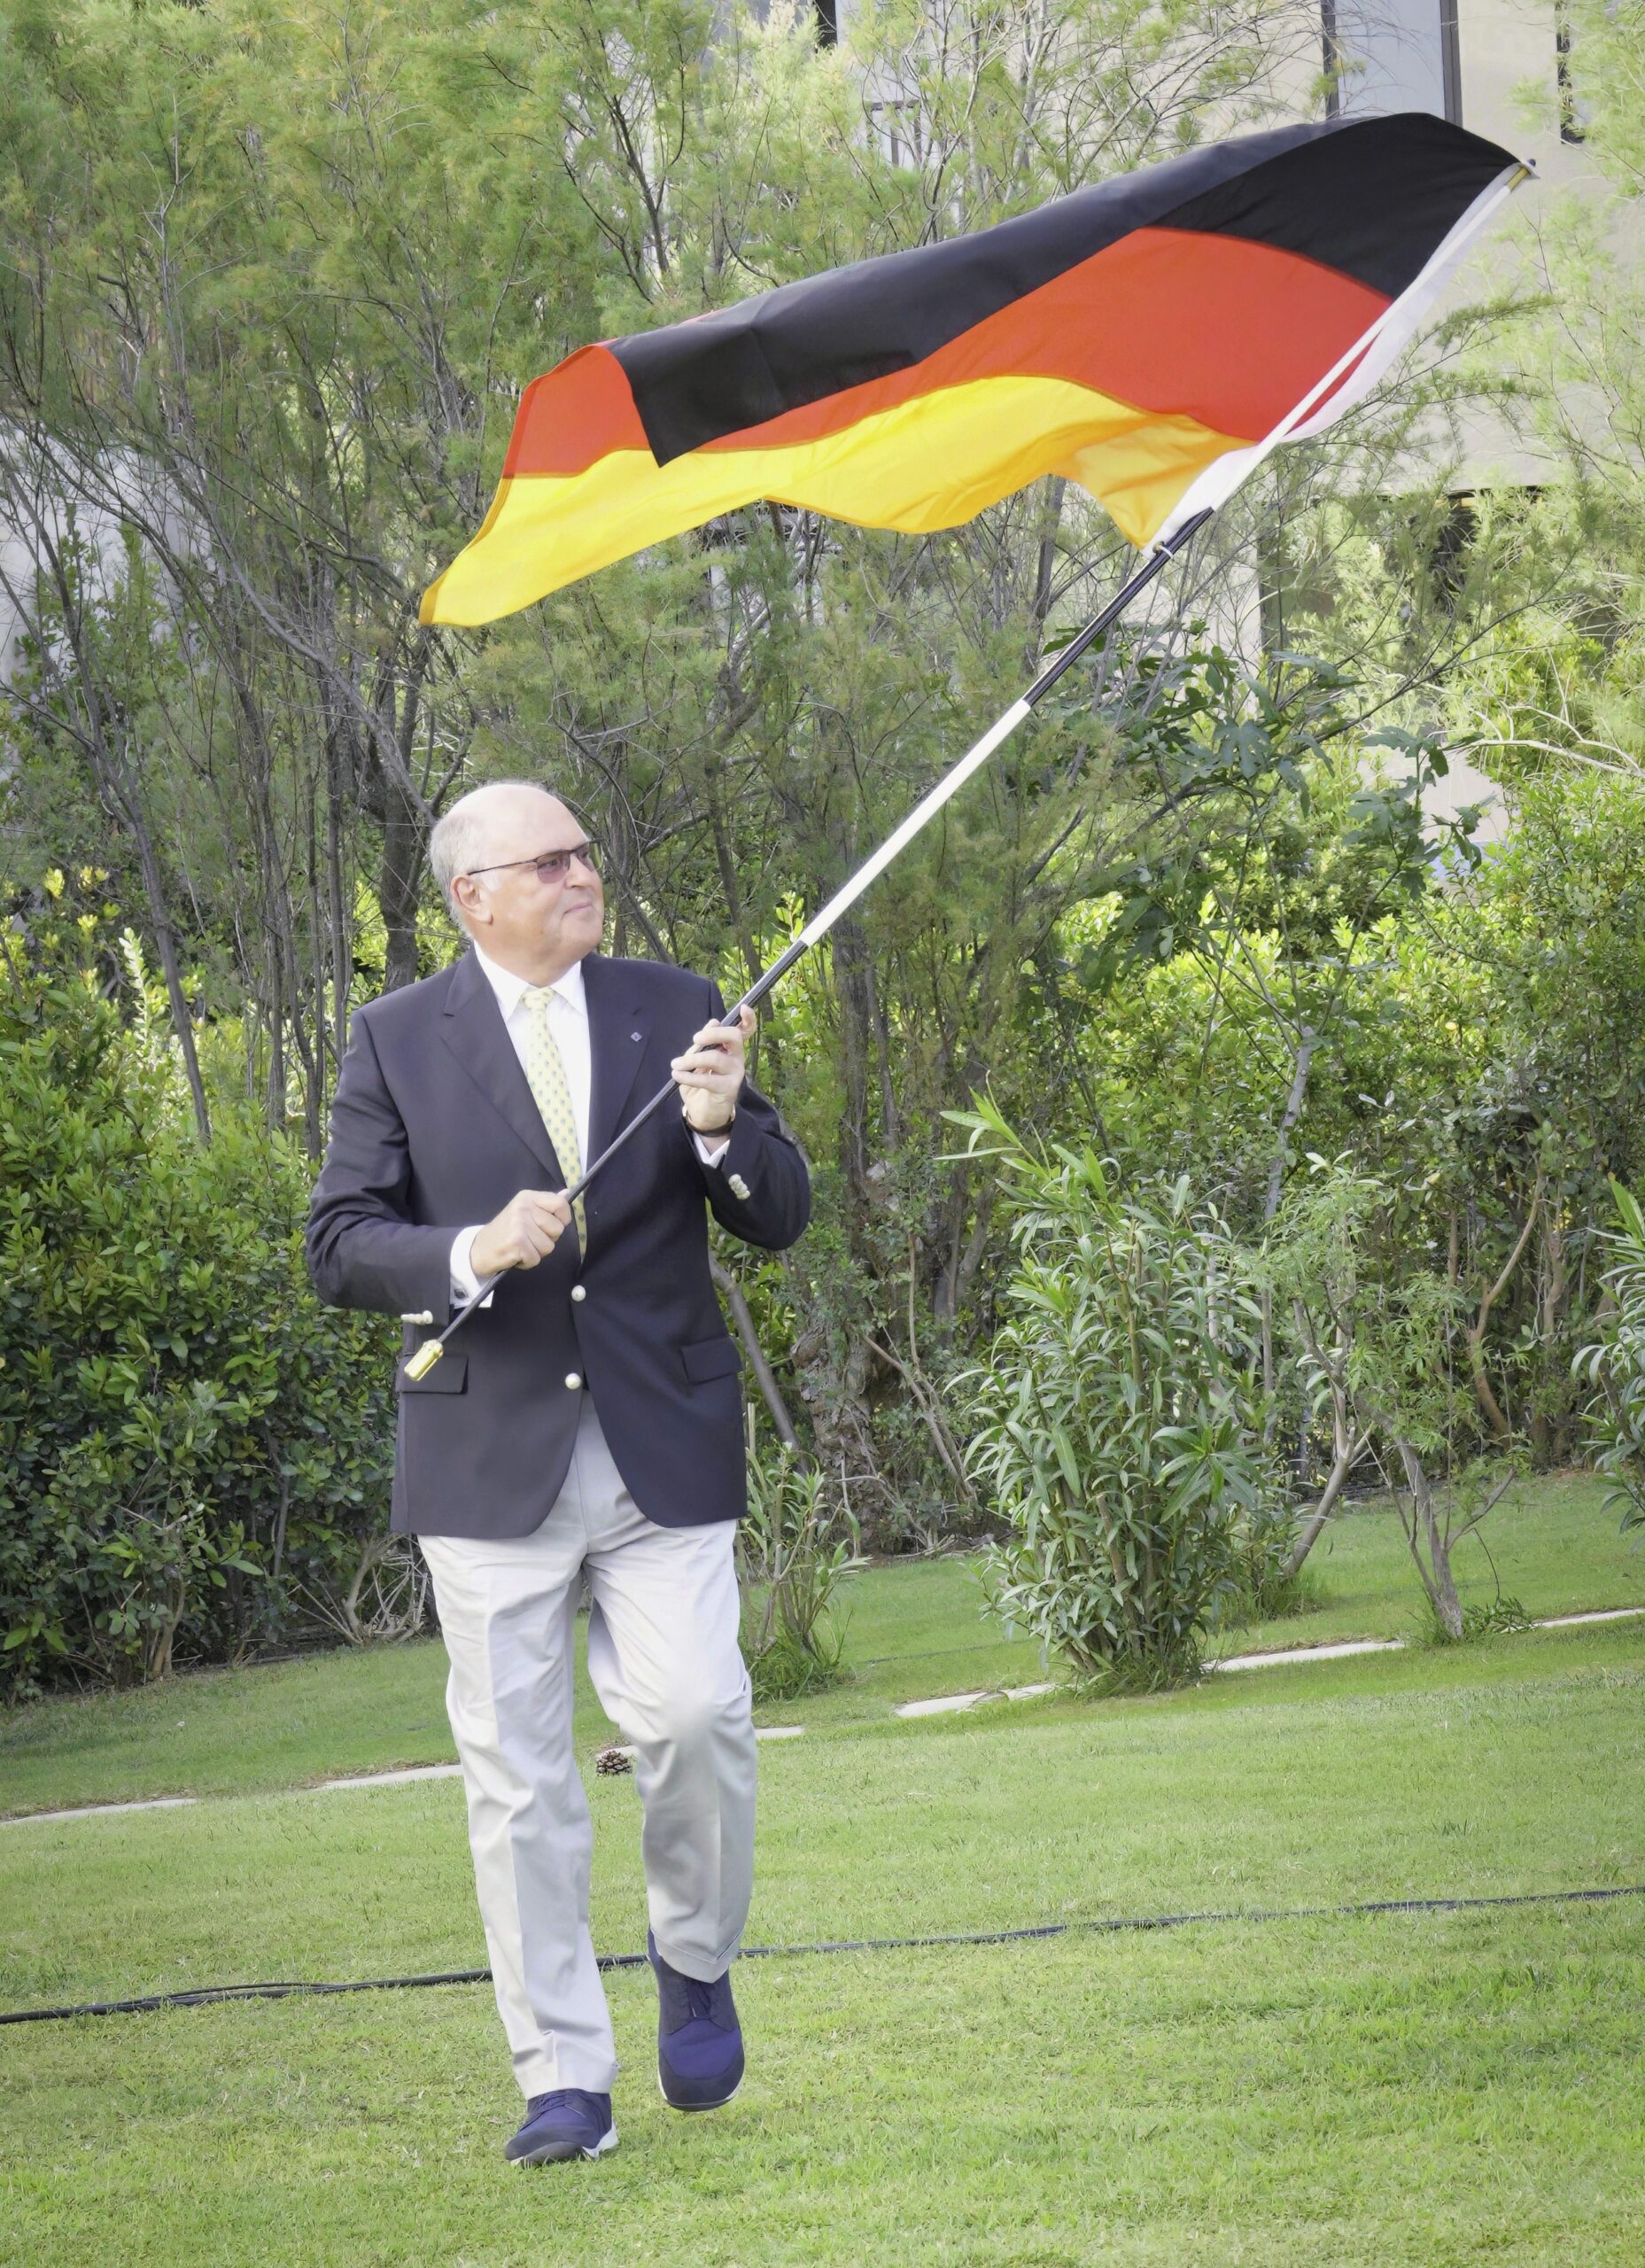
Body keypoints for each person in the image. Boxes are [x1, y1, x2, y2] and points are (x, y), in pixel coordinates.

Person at [306, 780, 811, 2166]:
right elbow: (337, 1242)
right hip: (487, 1461)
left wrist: (720, 1128)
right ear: (472, 897)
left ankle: (694, 1962)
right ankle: (564, 2080)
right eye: (550, 861)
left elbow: (777, 1213)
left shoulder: (674, 1004)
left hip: (662, 1447)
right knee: (519, 1781)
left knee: (697, 1714)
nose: (584, 873)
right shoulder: (394, 1038)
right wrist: (467, 1250)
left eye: (586, 852)